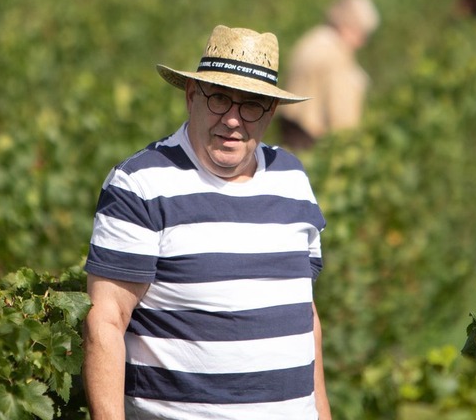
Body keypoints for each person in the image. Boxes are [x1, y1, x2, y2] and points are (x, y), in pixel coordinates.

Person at [83, 25, 332, 419]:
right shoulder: (141, 184)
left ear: (271, 112)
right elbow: (106, 322)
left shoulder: (293, 179)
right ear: (191, 97)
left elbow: (305, 316)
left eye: (251, 104)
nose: (233, 120)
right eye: (219, 99)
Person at [277, 0, 380, 150]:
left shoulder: (312, 39)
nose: (362, 42)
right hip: (310, 138)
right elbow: (342, 114)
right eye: (362, 34)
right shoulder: (336, 55)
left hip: (289, 129)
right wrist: (349, 146)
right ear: (349, 25)